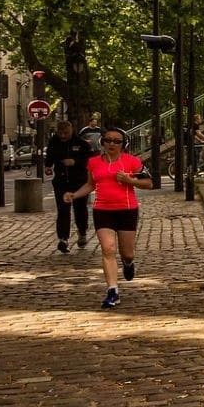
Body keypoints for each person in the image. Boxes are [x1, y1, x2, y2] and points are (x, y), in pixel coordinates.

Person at [62, 126, 150, 309]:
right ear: (102, 142)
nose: (111, 144)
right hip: (102, 210)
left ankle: (128, 263)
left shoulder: (132, 161)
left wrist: (131, 181)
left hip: (126, 210)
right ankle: (112, 291)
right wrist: (75, 195)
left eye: (116, 141)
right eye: (108, 140)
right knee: (108, 249)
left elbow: (149, 183)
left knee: (127, 252)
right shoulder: (93, 163)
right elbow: (90, 185)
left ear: (123, 144)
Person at [43, 120, 94, 253]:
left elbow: (89, 160)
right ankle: (63, 239)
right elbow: (50, 156)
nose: (63, 136)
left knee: (80, 209)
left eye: (66, 133)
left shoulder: (81, 144)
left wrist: (75, 162)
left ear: (71, 130)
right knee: (63, 210)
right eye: (60, 133)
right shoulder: (54, 142)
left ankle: (82, 232)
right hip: (61, 181)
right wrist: (48, 166)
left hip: (78, 182)